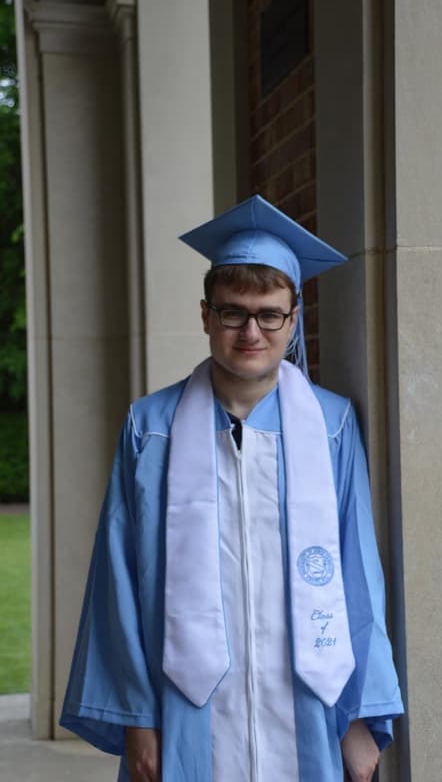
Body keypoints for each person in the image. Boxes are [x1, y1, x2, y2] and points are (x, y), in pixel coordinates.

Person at [61, 195, 403, 782]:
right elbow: (115, 581)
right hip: (184, 713)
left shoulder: (332, 425)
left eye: (269, 314)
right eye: (233, 313)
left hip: (307, 707)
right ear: (205, 316)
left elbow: (355, 571)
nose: (251, 331)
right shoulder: (151, 428)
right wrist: (137, 721)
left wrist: (357, 717)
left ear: (294, 319)